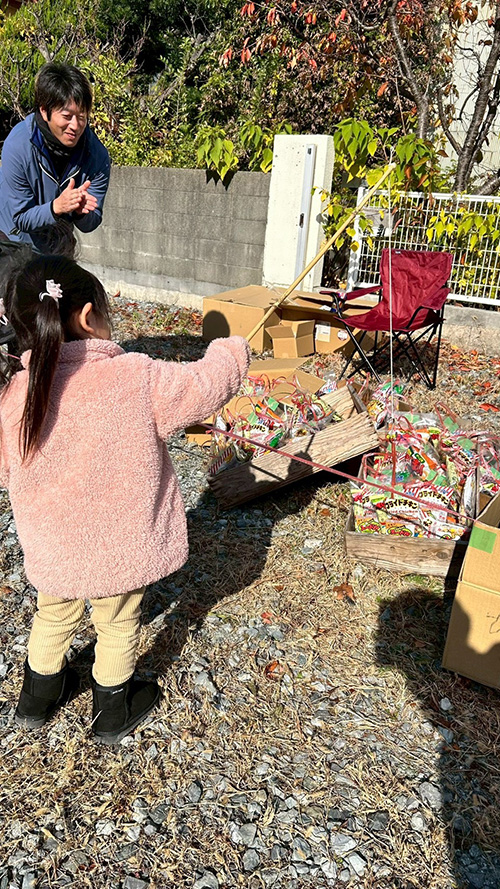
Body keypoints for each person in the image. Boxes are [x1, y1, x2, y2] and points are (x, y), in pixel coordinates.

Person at [0, 255, 251, 745]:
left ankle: (35, 699)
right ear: (89, 316)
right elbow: (205, 385)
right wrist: (232, 349)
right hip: (119, 547)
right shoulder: (136, 378)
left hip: (54, 550)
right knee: (117, 623)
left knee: (52, 614)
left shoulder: (15, 397)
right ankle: (111, 710)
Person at [0, 61, 110, 254]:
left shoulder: (97, 155)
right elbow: (20, 218)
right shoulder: (18, 146)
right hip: (13, 243)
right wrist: (56, 207)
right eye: (67, 116)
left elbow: (92, 222)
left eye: (82, 116)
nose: (75, 126)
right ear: (44, 111)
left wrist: (81, 212)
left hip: (60, 248)